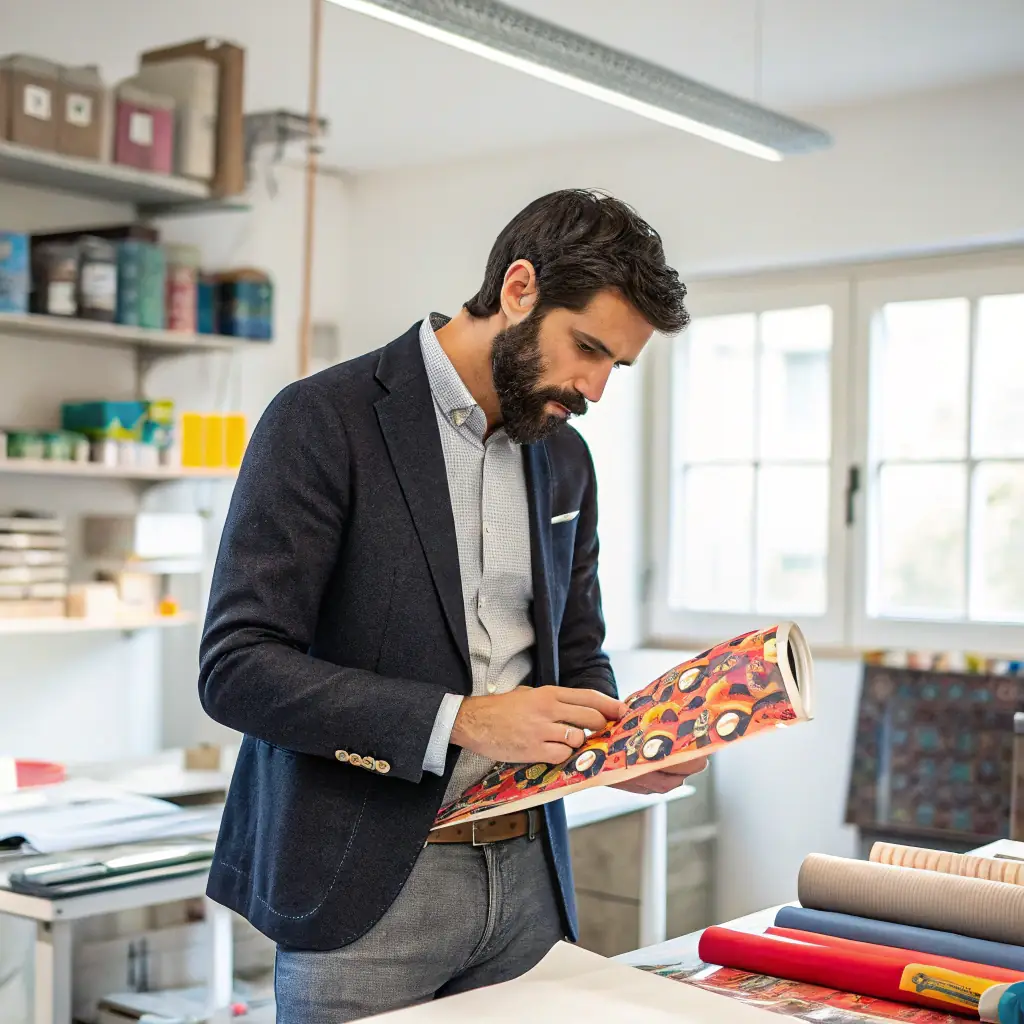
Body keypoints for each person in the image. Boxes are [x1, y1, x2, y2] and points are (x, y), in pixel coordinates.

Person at [198, 188, 704, 1022]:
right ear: (518, 290)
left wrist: (628, 744)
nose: (596, 388)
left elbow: (577, 654)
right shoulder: (322, 420)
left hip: (529, 888)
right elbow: (237, 669)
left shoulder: (566, 460)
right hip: (364, 893)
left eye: (616, 365)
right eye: (587, 349)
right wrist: (461, 720)